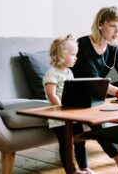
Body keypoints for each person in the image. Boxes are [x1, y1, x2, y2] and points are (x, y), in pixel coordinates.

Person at [71, 6, 118, 174]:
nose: (117, 31)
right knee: (99, 110)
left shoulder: (112, 48)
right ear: (100, 24)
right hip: (83, 91)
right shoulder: (83, 44)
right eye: (113, 26)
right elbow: (94, 82)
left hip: (99, 89)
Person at [42, 34, 95, 174]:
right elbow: (51, 93)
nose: (76, 57)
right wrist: (61, 109)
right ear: (61, 55)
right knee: (66, 144)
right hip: (59, 117)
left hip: (71, 115)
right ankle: (71, 171)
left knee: (80, 141)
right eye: (73, 54)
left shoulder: (69, 73)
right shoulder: (52, 73)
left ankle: (84, 167)